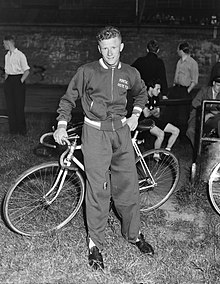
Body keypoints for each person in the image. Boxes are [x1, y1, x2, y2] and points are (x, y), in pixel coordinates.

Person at [53, 26, 154, 270]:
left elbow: (141, 94)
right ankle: (94, 244)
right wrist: (61, 125)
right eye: (105, 48)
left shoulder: (130, 72)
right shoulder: (86, 71)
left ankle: (133, 235)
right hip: (95, 133)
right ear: (99, 49)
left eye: (114, 47)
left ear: (121, 47)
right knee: (98, 189)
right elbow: (68, 98)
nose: (110, 53)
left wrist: (135, 115)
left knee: (128, 187)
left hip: (121, 132)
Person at [138, 79, 180, 156]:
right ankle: (156, 155)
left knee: (176, 131)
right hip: (143, 122)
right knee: (161, 134)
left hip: (153, 119)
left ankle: (167, 151)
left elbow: (158, 114)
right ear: (150, 89)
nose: (159, 91)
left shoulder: (155, 98)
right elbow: (146, 115)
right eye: (157, 89)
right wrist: (153, 111)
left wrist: (151, 111)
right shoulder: (143, 97)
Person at [168, 41, 199, 136]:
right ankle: (172, 133)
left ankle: (182, 136)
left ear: (181, 50)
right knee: (172, 112)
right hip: (176, 89)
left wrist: (187, 91)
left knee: (182, 114)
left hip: (184, 90)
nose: (177, 51)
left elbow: (195, 80)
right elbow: (176, 75)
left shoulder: (192, 63)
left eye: (178, 49)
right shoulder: (179, 61)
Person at [3, 35, 30, 135]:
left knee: (19, 107)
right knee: (10, 107)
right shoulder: (6, 56)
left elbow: (27, 71)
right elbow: (6, 71)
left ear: (9, 42)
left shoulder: (20, 55)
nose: (3, 45)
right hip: (9, 80)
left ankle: (22, 131)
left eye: (4, 43)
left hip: (18, 80)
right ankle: (13, 131)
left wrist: (20, 81)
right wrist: (6, 82)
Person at [186, 76, 220, 148]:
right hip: (198, 114)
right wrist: (209, 110)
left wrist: (210, 114)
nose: (219, 88)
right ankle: (200, 149)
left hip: (213, 118)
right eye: (218, 85)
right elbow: (195, 103)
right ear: (213, 83)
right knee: (190, 131)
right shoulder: (204, 90)